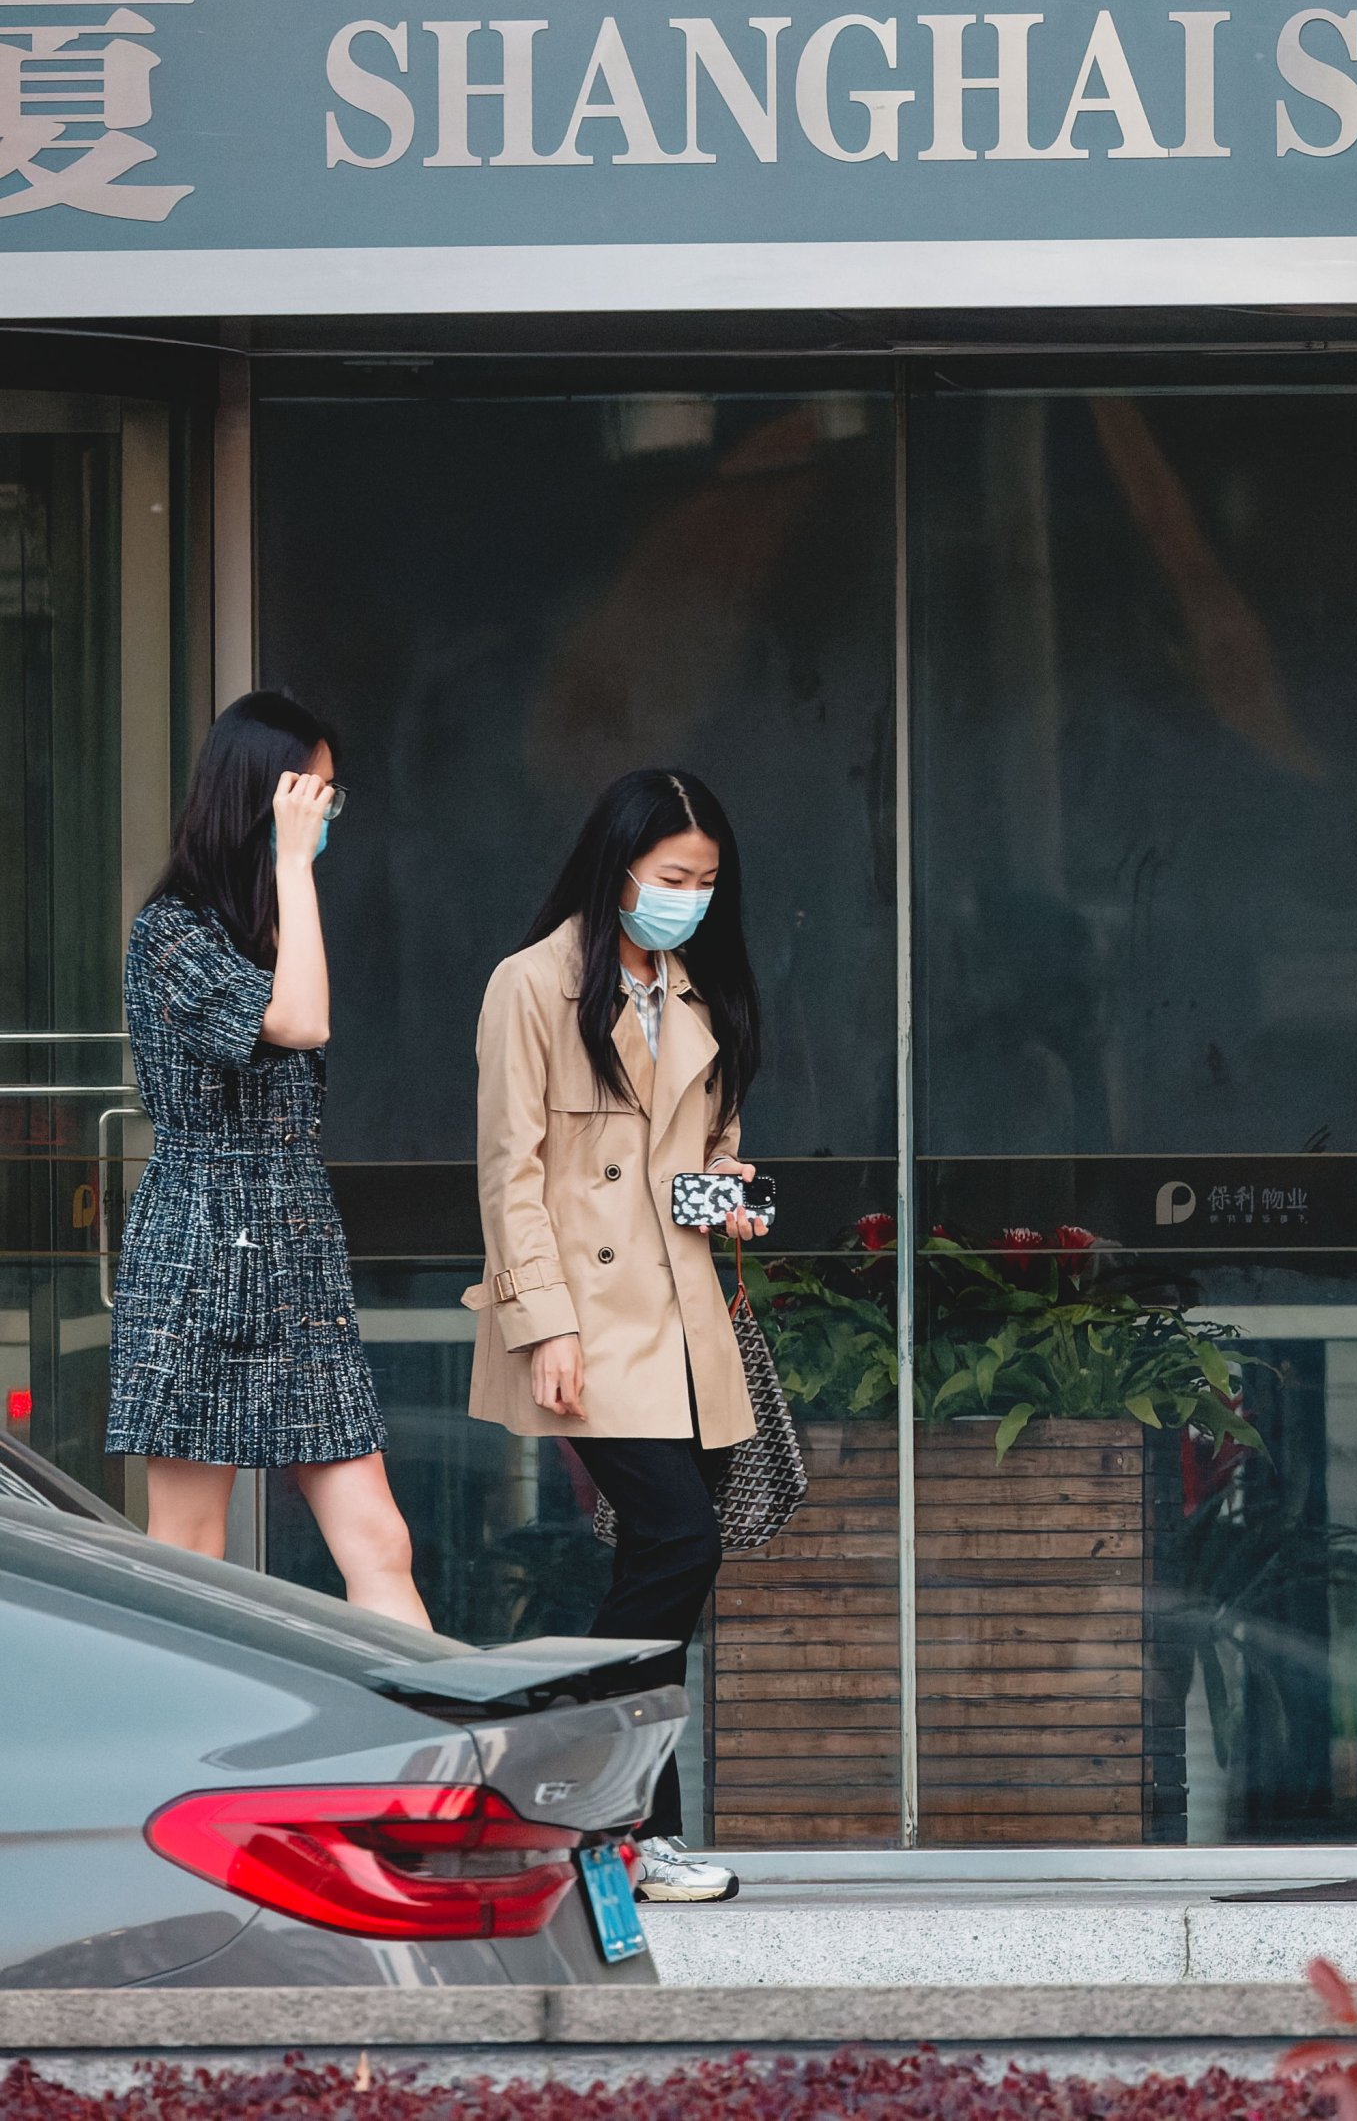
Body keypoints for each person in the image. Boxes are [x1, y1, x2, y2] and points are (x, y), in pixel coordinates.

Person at [463, 770, 770, 1906]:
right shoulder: (532, 984)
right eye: (673, 877)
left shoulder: (698, 991)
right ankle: (597, 1804)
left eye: (706, 881)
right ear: (619, 865)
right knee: (678, 1548)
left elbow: (707, 1147)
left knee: (670, 1561)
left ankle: (629, 1830)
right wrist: (543, 1322)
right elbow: (511, 1172)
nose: (690, 898)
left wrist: (724, 1195)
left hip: (683, 1320)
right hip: (589, 1323)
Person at [106, 692, 430, 1628]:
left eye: (331, 799)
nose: (326, 815)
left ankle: (437, 1756)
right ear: (264, 793)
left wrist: (292, 880)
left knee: (379, 1540)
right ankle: (179, 1751)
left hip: (295, 1248)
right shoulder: (170, 933)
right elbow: (299, 1022)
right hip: (203, 1248)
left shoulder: (274, 924)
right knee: (188, 1549)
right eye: (313, 795)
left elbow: (303, 1005)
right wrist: (293, 862)